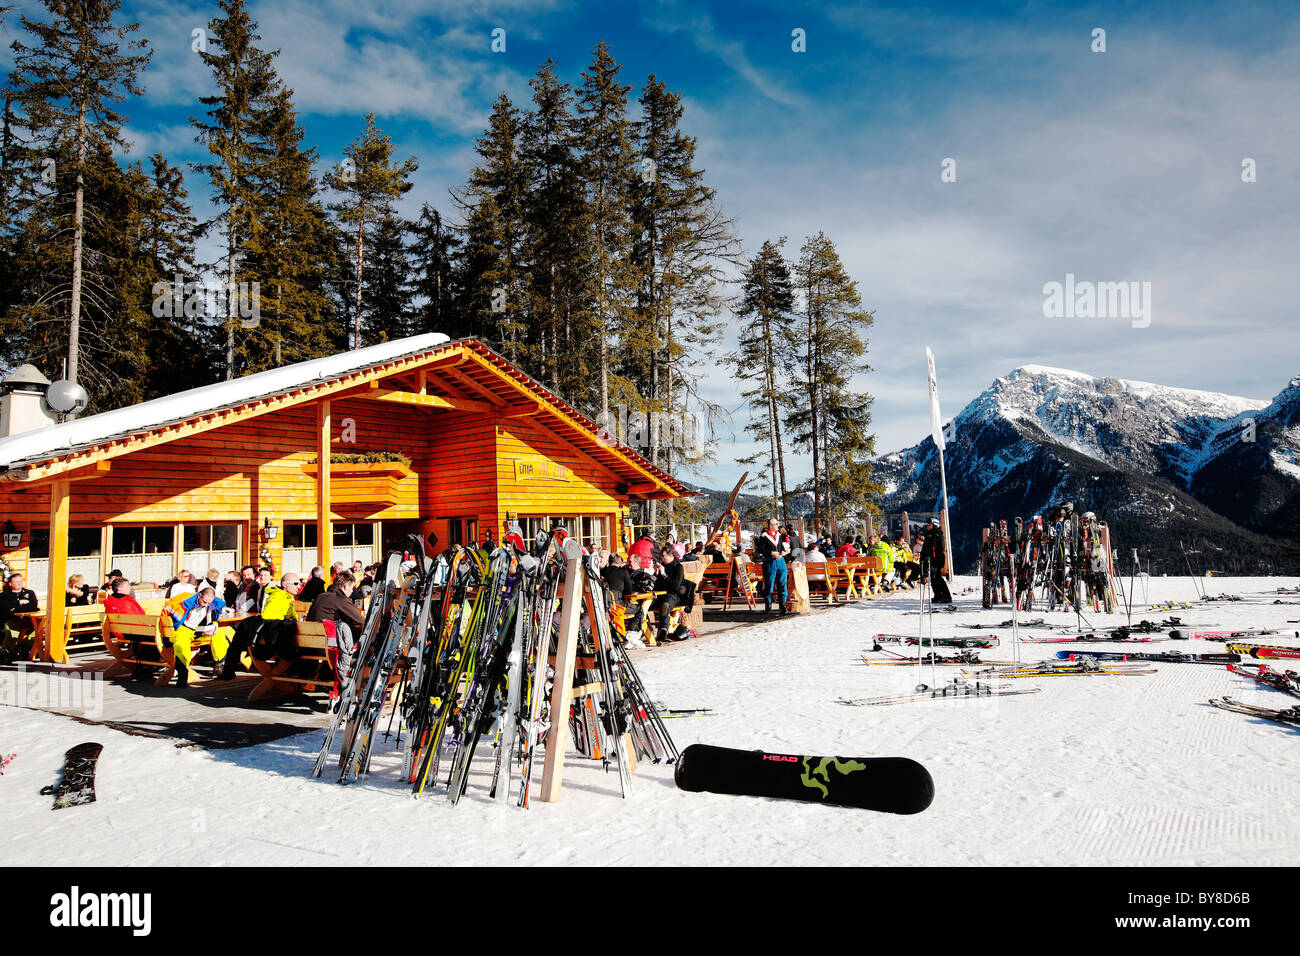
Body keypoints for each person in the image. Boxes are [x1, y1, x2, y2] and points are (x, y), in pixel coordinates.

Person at [160, 584, 234, 686]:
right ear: (199, 595)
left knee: (219, 634)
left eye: (209, 603)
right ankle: (182, 676)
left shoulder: (212, 604)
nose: (205, 605)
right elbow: (172, 621)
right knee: (181, 645)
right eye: (204, 602)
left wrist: (214, 626)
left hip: (199, 630)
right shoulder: (186, 602)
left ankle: (219, 666)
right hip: (183, 628)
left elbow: (213, 618)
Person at [308, 571, 366, 696]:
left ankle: (324, 676)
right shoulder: (340, 598)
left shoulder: (322, 595)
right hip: (328, 646)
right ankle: (351, 678)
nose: (352, 591)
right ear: (345, 586)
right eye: (352, 587)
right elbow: (361, 620)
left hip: (311, 643)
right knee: (356, 641)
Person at [651, 548, 693, 642]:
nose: (662, 559)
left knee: (666, 604)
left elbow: (675, 586)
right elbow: (656, 585)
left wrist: (664, 574)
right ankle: (643, 631)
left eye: (663, 556)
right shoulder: (662, 565)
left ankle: (663, 630)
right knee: (644, 604)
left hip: (674, 595)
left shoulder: (678, 567)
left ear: (671, 556)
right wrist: (656, 573)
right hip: (661, 594)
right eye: (661, 556)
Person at [0, 572, 39, 663]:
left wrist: (15, 607)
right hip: (13, 620)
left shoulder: (29, 593)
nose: (20, 583)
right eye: (17, 582)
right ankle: (7, 653)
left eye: (21, 581)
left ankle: (23, 646)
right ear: (10, 584)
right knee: (11, 630)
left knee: (39, 629)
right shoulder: (4, 595)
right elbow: (5, 607)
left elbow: (33, 606)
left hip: (29, 619)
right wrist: (19, 603)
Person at [755, 518, 789, 614]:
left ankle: (782, 605)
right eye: (776, 524)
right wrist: (771, 553)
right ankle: (768, 605)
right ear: (770, 526)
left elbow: (781, 547)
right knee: (769, 584)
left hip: (781, 562)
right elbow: (760, 550)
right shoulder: (764, 537)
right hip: (770, 562)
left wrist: (783, 551)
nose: (778, 525)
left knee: (782, 584)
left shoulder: (779, 536)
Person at [920, 518, 952, 604]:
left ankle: (946, 596)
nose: (928, 527)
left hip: (935, 560)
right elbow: (927, 548)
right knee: (933, 579)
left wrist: (940, 561)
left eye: (930, 525)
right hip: (930, 559)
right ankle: (938, 595)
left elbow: (939, 549)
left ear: (935, 525)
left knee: (937, 578)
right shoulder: (930, 534)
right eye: (928, 525)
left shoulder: (937, 535)